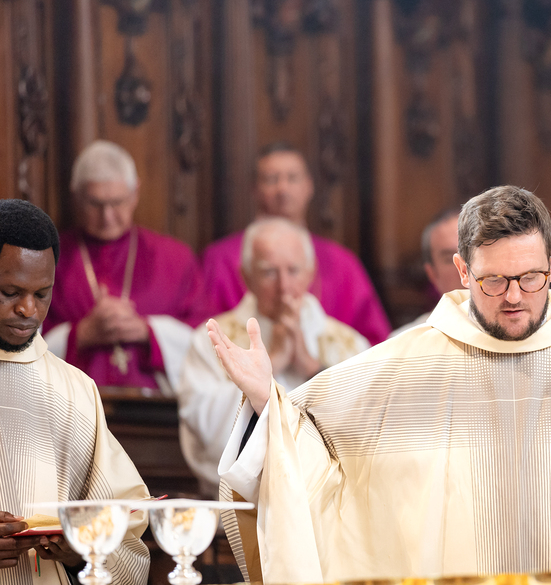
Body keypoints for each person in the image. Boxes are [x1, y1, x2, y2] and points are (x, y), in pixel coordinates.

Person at [207, 185, 551, 583]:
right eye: (494, 281)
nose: (514, 297)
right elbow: (307, 457)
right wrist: (265, 402)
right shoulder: (398, 369)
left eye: (531, 277)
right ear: (462, 270)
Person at [0, 199, 150, 585]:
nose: (28, 310)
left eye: (42, 294)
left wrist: (84, 549)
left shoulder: (76, 390)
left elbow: (126, 532)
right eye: (9, 292)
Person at [179, 218, 369, 497]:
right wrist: (274, 362)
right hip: (241, 505)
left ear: (311, 273)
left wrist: (311, 367)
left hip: (324, 503)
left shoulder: (349, 344)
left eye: (294, 270)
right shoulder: (213, 340)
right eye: (269, 272)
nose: (284, 286)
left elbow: (363, 430)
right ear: (246, 277)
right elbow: (207, 430)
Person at [43, 141, 205, 392]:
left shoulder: (175, 257)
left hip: (156, 406)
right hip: (70, 402)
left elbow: (205, 335)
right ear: (76, 197)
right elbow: (23, 337)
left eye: (117, 202)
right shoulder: (48, 259)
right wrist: (81, 334)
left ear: (135, 193)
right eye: (95, 204)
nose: (107, 216)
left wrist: (148, 331)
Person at [201, 142, 391, 344]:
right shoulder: (221, 258)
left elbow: (375, 344)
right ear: (254, 189)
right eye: (272, 179)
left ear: (309, 186)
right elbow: (206, 334)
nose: (283, 189)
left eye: (292, 178)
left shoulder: (342, 262)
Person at [390, 208, 464, 336]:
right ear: (432, 273)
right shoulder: (404, 343)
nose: (465, 268)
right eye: (450, 259)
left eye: (474, 254)